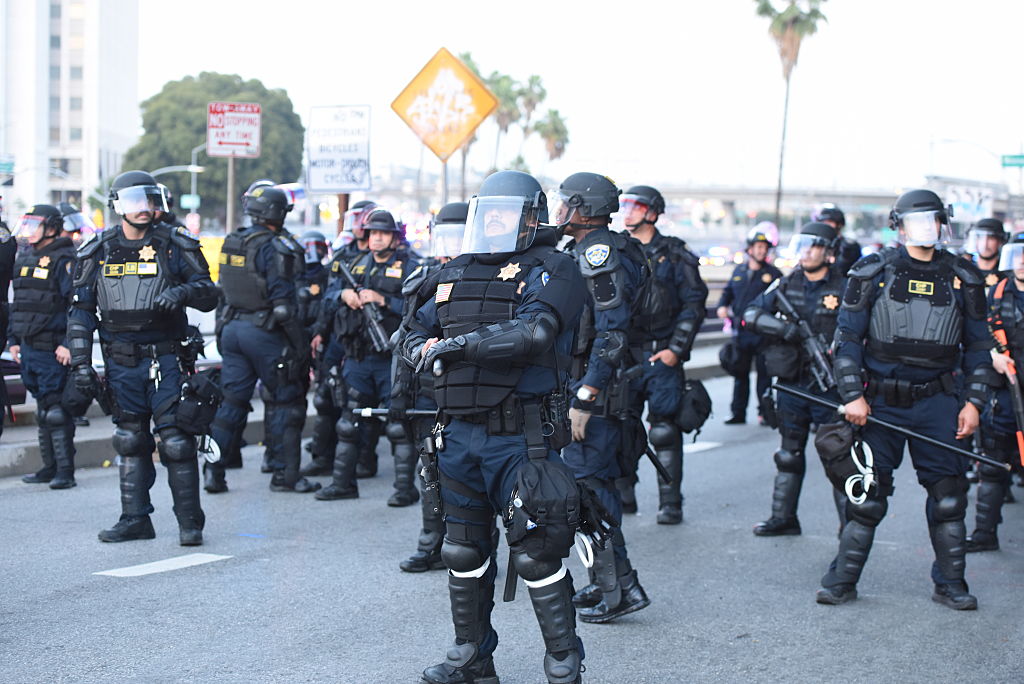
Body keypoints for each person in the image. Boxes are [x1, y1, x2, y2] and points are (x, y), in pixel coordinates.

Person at [403, 170, 588, 684]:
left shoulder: (557, 267)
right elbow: (411, 332)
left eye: (507, 213)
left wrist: (457, 346)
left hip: (520, 437)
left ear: (533, 216)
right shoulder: (452, 271)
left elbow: (534, 332)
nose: (496, 223)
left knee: (537, 553)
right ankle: (472, 655)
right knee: (461, 550)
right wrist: (421, 349)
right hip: (456, 432)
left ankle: (563, 663)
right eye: (489, 213)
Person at [819, 189, 993, 610]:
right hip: (879, 401)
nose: (925, 228)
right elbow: (847, 342)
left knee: (949, 498)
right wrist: (852, 396)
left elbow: (978, 349)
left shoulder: (964, 277)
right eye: (916, 220)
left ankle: (950, 582)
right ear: (899, 225)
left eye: (932, 220)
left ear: (942, 222)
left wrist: (973, 403)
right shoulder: (872, 271)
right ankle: (842, 579)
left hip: (938, 402)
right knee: (868, 497)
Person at [68, 171, 219, 544]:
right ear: (119, 205)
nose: (146, 208)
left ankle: (190, 524)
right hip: (120, 362)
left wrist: (182, 293)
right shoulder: (97, 249)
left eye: (151, 200)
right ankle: (135, 519)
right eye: (137, 201)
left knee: (177, 441)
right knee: (130, 440)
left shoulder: (175, 244)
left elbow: (209, 293)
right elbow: (81, 311)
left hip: (165, 359)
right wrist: (81, 362)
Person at [552, 172, 651, 624]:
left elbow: (611, 334)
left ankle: (622, 590)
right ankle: (606, 583)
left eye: (562, 202)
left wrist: (587, 395)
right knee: (591, 489)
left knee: (589, 490)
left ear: (581, 207)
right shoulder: (591, 250)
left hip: (597, 393)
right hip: (594, 388)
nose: (556, 210)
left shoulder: (599, 254)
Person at [207, 184, 319, 494]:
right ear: (277, 212)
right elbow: (284, 307)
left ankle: (212, 470)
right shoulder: (278, 247)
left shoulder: (233, 241)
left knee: (231, 402)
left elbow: (223, 292)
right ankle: (285, 475)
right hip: (268, 335)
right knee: (288, 403)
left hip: (233, 331)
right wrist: (300, 348)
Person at [742, 222, 847, 536]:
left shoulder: (845, 287)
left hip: (829, 386)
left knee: (837, 455)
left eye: (813, 246)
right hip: (792, 383)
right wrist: (782, 329)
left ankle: (851, 525)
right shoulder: (787, 284)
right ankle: (784, 518)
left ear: (829, 253)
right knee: (789, 453)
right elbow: (750, 314)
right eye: (803, 245)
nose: (806, 252)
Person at [616, 185, 707, 523]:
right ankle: (624, 494)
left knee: (664, 431)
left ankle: (670, 502)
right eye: (625, 206)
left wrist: (675, 350)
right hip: (624, 356)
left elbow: (694, 304)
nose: (628, 212)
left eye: (636, 207)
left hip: (661, 355)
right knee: (620, 425)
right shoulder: (616, 250)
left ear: (652, 213)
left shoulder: (675, 254)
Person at [316, 209, 419, 504]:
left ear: (393, 238)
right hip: (359, 357)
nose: (376, 238)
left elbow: (422, 309)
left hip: (392, 359)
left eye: (382, 233)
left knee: (398, 424)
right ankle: (342, 484)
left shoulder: (409, 266)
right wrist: (342, 297)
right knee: (348, 422)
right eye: (372, 233)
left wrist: (384, 300)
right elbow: (327, 297)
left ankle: (404, 490)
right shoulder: (356, 264)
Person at [398, 202, 466, 573]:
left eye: (455, 237)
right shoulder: (425, 277)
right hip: (428, 389)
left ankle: (474, 548)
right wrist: (399, 393)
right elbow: (407, 336)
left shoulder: (486, 275)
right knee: (429, 471)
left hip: (471, 391)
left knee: (470, 476)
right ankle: (431, 546)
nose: (447, 247)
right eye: (443, 237)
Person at [9, 205, 77, 488]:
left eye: (35, 225)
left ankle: (65, 472)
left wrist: (68, 343)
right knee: (42, 410)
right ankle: (48, 467)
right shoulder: (25, 255)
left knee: (56, 410)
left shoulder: (65, 259)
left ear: (51, 227)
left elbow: (76, 305)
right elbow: (20, 302)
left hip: (53, 348)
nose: (29, 231)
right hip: (28, 347)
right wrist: (13, 340)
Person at [967, 232, 1024, 552]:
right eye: (1019, 254)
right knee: (992, 464)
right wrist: (994, 356)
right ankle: (985, 534)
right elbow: (979, 336)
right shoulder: (998, 293)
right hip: (1006, 391)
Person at [717, 224, 782, 425]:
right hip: (741, 332)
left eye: (765, 247)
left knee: (764, 375)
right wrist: (722, 306)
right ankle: (738, 412)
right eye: (758, 247)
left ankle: (764, 413)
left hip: (763, 333)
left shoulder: (774, 274)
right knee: (739, 374)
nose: (762, 251)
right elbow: (727, 292)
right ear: (750, 249)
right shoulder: (739, 271)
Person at [816, 204, 862, 275]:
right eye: (822, 222)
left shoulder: (849, 246)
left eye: (829, 222)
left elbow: (844, 267)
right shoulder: (815, 243)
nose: (825, 225)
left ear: (839, 224)